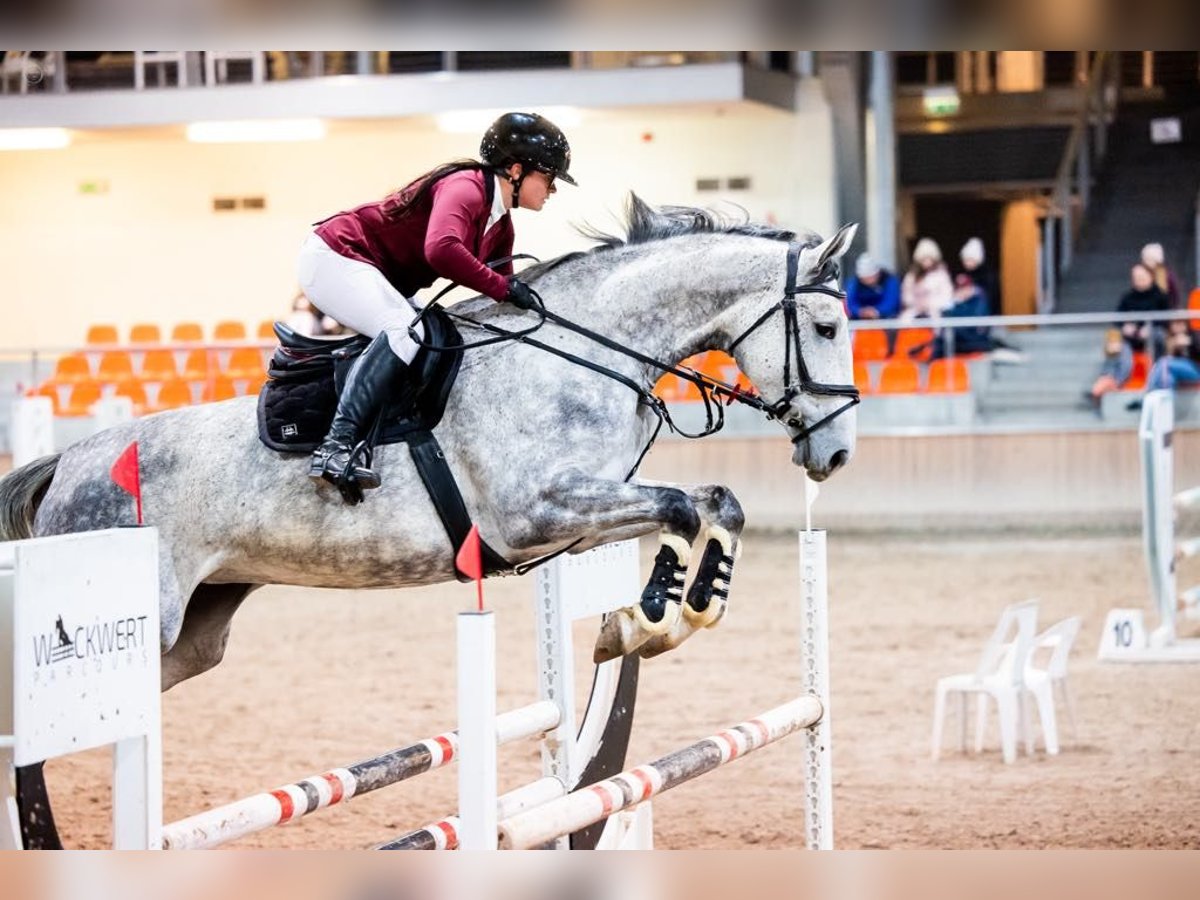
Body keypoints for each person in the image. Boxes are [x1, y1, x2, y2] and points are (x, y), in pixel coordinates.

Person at [298, 111, 576, 494]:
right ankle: (336, 448)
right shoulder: (466, 188)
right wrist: (505, 289)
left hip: (378, 272)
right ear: (514, 170)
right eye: (548, 177)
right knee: (403, 331)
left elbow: (505, 293)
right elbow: (441, 250)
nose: (553, 190)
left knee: (433, 334)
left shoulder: (501, 225)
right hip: (337, 255)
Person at [1126, 321, 1200, 411]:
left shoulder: (1195, 335)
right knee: (1168, 375)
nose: (1178, 327)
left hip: (1195, 370)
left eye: (1181, 323)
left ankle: (1146, 397)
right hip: (1174, 373)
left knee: (1164, 362)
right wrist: (1173, 348)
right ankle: (1166, 407)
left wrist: (1190, 343)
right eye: (1175, 324)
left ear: (1186, 324)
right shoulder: (1168, 338)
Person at [1116, 262, 1169, 355]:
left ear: (1151, 277)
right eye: (1136, 277)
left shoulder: (1161, 296)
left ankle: (1157, 366)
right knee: (1119, 345)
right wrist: (1125, 326)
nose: (1138, 280)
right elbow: (1118, 317)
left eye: (1141, 277)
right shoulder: (1127, 297)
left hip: (1154, 333)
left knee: (1158, 335)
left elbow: (1167, 318)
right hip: (1132, 336)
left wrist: (1150, 328)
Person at [899, 237, 953, 321]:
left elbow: (947, 297)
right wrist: (915, 304)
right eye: (924, 259)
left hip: (935, 313)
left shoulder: (941, 275)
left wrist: (929, 304)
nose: (927, 262)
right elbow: (906, 294)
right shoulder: (912, 276)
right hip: (914, 312)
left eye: (929, 258)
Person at [846, 253, 900, 322]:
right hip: (859, 322)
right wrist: (860, 312)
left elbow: (891, 302)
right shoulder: (854, 283)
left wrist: (877, 311)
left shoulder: (889, 280)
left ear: (877, 273)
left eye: (871, 277)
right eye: (865, 278)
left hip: (886, 320)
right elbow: (850, 303)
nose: (869, 281)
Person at [958, 238, 1000, 316]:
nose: (966, 263)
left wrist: (974, 291)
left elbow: (990, 295)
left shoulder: (987, 274)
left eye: (969, 260)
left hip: (984, 312)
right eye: (965, 260)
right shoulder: (965, 274)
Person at [1141, 242, 1181, 309]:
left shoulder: (1167, 276)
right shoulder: (1142, 274)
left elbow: (1175, 296)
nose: (1144, 262)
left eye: (1148, 259)